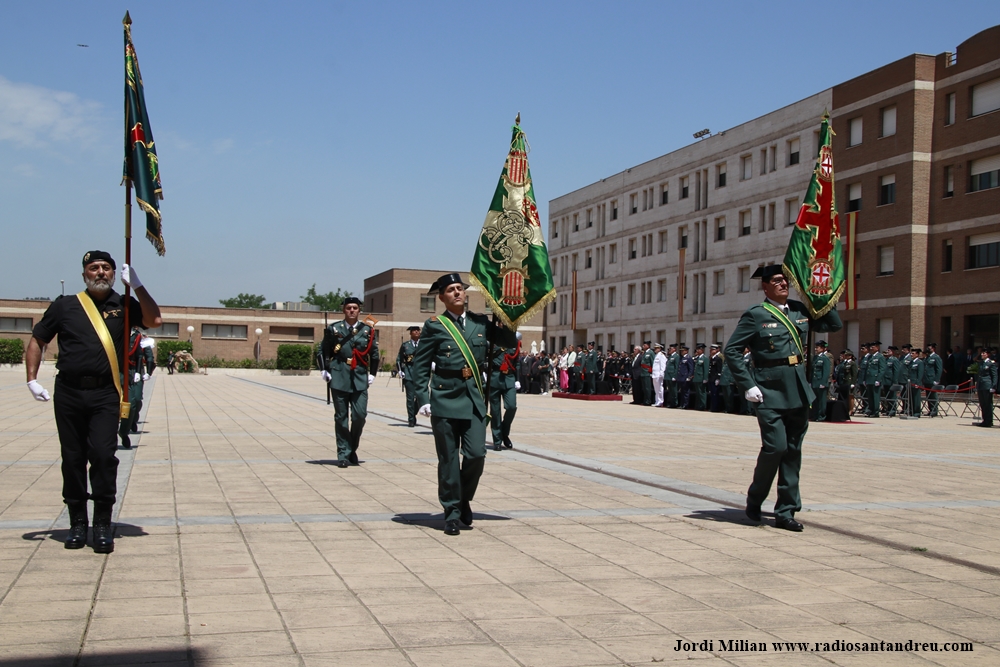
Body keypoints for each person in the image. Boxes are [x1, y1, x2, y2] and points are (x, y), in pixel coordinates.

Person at [26, 251, 161, 553]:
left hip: (105, 394)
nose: (100, 272)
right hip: (69, 392)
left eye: (106, 268)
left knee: (102, 455)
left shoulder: (123, 304)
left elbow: (154, 319)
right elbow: (38, 339)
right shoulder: (65, 306)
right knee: (73, 458)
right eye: (94, 267)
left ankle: (101, 523)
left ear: (114, 274)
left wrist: (137, 285)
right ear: (84, 274)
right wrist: (31, 379)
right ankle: (77, 522)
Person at [724, 265, 842, 532]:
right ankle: (756, 497)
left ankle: (786, 511)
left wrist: (823, 297)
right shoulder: (756, 314)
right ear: (765, 287)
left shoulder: (800, 310)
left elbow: (833, 325)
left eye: (785, 280)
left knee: (792, 451)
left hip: (797, 389)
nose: (783, 284)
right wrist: (748, 384)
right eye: (777, 280)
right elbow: (731, 350)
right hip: (769, 391)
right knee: (775, 448)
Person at [410, 274, 516, 536]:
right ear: (442, 297)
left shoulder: (480, 322)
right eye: (451, 290)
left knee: (476, 454)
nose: (457, 293)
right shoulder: (435, 326)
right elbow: (420, 366)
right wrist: (423, 399)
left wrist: (508, 317)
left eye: (460, 288)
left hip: (473, 398)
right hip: (445, 398)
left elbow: (509, 342)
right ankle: (452, 513)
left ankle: (463, 498)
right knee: (448, 459)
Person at [319, 296, 379, 468]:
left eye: (355, 308)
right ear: (343, 310)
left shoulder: (367, 330)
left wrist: (372, 374)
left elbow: (374, 354)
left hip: (359, 375)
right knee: (341, 417)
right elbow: (323, 350)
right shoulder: (333, 329)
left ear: (359, 310)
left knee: (360, 415)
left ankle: (352, 447)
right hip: (339, 375)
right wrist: (324, 369)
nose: (351, 310)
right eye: (348, 308)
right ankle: (344, 453)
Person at [119, 327, 154, 448]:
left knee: (135, 401)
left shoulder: (139, 337)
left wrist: (147, 372)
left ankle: (126, 428)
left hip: (133, 371)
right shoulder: (116, 331)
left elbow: (145, 356)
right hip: (116, 369)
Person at [489, 334, 521, 450]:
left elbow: (517, 362)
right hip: (495, 376)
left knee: (512, 406)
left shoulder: (515, 341)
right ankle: (497, 440)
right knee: (495, 411)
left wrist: (517, 379)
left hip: (509, 378)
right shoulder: (492, 340)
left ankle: (504, 432)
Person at [396, 325, 421, 427]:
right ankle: (411, 419)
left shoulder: (424, 345)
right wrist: (400, 370)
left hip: (420, 374)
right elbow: (399, 359)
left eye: (418, 330)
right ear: (410, 333)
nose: (416, 332)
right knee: (410, 398)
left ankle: (413, 412)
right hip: (409, 373)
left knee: (420, 397)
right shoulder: (405, 345)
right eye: (414, 331)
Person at [809, 341, 831, 422]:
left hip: (821, 381)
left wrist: (823, 382)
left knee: (821, 401)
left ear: (822, 348)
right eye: (815, 347)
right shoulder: (815, 358)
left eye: (817, 347)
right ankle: (815, 415)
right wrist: (810, 381)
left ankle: (821, 416)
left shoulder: (825, 358)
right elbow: (812, 370)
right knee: (815, 400)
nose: (816, 349)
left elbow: (826, 372)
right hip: (815, 382)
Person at [863, 341, 886, 418]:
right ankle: (871, 410)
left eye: (873, 347)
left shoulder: (880, 357)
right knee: (870, 396)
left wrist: (878, 379)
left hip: (875, 379)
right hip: (869, 379)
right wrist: (865, 379)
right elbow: (867, 369)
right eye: (870, 347)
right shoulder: (870, 356)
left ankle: (876, 411)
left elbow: (882, 369)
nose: (871, 348)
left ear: (877, 347)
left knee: (875, 396)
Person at [976, 348, 997, 427]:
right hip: (981, 385)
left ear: (988, 354)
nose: (982, 354)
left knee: (988, 404)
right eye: (982, 353)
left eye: (984, 353)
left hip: (987, 385)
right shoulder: (981, 363)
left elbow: (994, 375)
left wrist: (993, 386)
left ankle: (989, 421)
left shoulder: (991, 363)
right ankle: (985, 420)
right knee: (983, 404)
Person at [924, 343, 943, 417]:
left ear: (933, 349)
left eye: (930, 348)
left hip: (932, 379)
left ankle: (934, 410)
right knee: (928, 396)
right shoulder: (927, 357)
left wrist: (937, 379)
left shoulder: (936, 357)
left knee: (933, 395)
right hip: (927, 379)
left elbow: (939, 369)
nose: (928, 349)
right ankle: (930, 409)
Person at [908, 348, 925, 417]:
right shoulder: (911, 362)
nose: (911, 354)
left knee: (916, 398)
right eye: (911, 353)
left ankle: (917, 412)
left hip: (916, 383)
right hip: (911, 383)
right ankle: (911, 411)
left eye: (913, 353)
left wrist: (918, 383)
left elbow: (920, 374)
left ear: (917, 354)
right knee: (911, 398)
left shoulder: (920, 362)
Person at [691, 344, 708, 410]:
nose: (697, 351)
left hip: (701, 377)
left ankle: (703, 405)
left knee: (702, 393)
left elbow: (706, 369)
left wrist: (705, 378)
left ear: (702, 350)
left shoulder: (705, 358)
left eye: (699, 349)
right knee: (698, 393)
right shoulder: (697, 358)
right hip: (697, 378)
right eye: (697, 349)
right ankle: (698, 405)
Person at [675, 345, 693, 409]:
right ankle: (682, 404)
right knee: (682, 392)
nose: (682, 352)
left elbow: (691, 368)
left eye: (683, 351)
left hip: (685, 377)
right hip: (681, 377)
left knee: (686, 392)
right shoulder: (681, 358)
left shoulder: (688, 358)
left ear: (686, 351)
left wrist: (689, 376)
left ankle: (685, 404)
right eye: (681, 351)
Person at [651, 343, 666, 407]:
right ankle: (657, 401)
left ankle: (660, 401)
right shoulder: (656, 355)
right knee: (656, 389)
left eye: (656, 348)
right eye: (655, 348)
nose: (655, 349)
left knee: (660, 388)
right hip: (655, 374)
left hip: (658, 374)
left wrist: (661, 374)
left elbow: (663, 365)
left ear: (660, 349)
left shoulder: (661, 355)